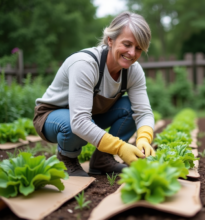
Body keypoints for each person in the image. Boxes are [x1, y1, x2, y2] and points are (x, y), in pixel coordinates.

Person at [33, 12, 155, 177]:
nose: (132, 53)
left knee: (130, 109)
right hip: (52, 117)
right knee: (72, 125)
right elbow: (79, 122)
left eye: (139, 48)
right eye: (127, 44)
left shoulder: (133, 71)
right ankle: (66, 159)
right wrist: (120, 147)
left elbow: (144, 112)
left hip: (89, 115)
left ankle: (102, 161)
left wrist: (144, 139)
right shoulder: (86, 64)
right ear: (110, 40)